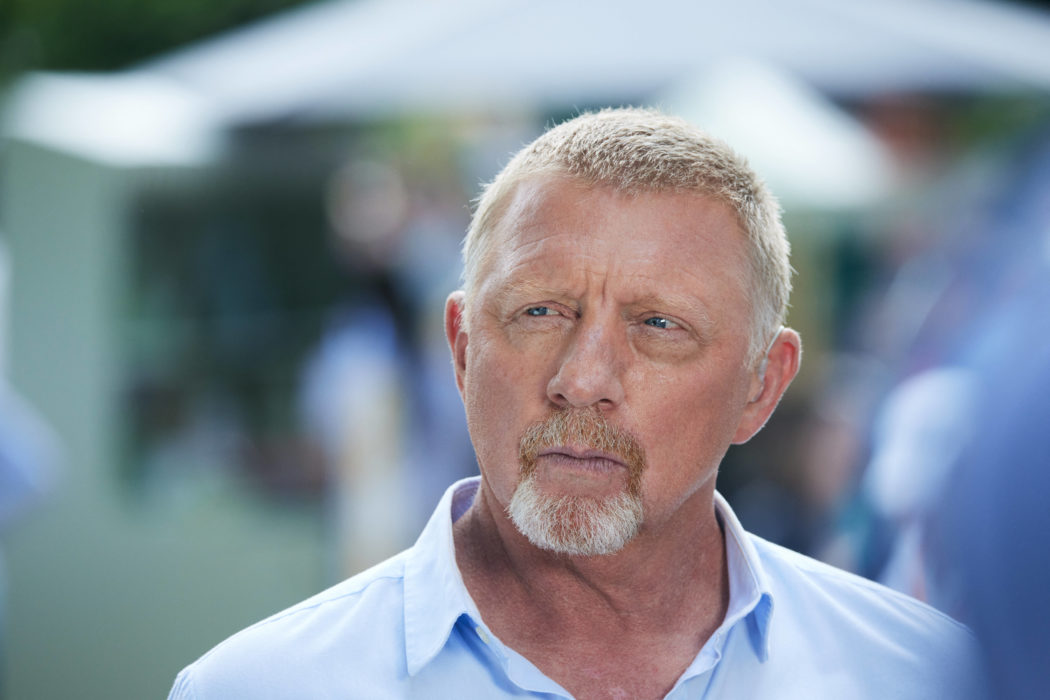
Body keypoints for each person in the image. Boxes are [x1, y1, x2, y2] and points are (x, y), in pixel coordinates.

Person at [169, 108, 978, 699]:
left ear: (761, 386)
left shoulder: (929, 678)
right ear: (460, 348)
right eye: (539, 312)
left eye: (659, 325)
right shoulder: (256, 687)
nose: (583, 377)